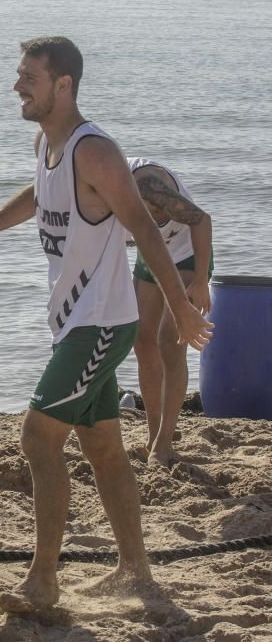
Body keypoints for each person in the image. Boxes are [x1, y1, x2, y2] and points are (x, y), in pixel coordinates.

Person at [0, 37, 212, 612]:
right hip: (72, 324)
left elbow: (142, 227)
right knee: (105, 449)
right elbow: (38, 198)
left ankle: (42, 582)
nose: (18, 85)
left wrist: (183, 305)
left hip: (101, 326)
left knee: (36, 437)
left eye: (29, 77)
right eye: (19, 75)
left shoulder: (97, 152)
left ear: (63, 85)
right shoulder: (48, 142)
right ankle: (136, 570)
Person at [127, 158, 213, 467]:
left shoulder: (150, 188)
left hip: (188, 256)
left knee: (168, 342)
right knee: (141, 341)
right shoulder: (105, 199)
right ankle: (153, 433)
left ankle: (164, 443)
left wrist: (201, 280)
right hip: (150, 257)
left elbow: (201, 220)